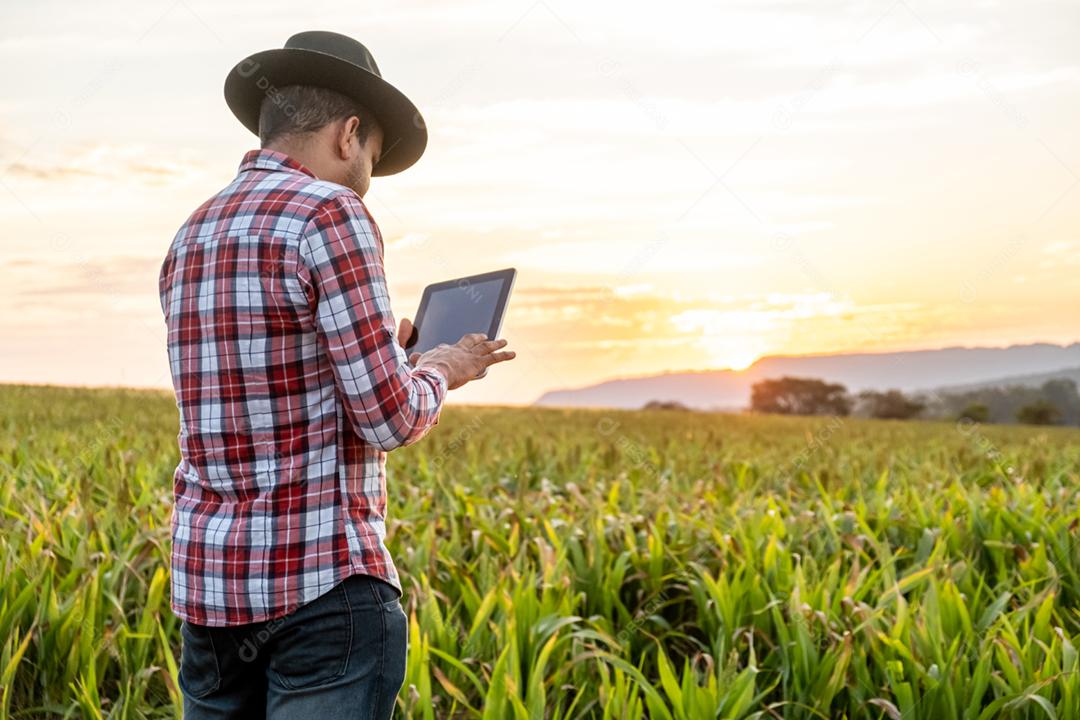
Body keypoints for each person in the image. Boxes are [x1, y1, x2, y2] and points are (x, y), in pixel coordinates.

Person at [158, 30, 514, 719]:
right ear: (349, 134)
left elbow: (261, 377)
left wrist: (386, 351)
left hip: (209, 594)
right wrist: (444, 367)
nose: (367, 176)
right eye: (374, 157)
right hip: (320, 592)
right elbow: (390, 418)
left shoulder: (192, 233)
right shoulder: (331, 212)